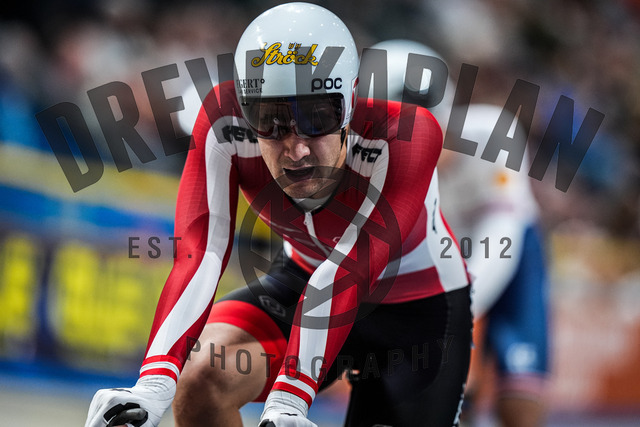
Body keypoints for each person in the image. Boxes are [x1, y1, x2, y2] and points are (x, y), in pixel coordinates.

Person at [85, 4, 472, 427]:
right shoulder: (223, 119)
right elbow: (200, 252)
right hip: (303, 278)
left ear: (350, 103)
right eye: (269, 121)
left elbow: (351, 269)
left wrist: (290, 398)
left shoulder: (407, 133)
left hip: (415, 310)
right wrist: (154, 383)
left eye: (318, 118)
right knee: (200, 378)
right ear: (244, 109)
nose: (297, 149)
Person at [370, 39, 550, 427]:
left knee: (518, 406)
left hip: (513, 256)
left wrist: (453, 309)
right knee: (447, 398)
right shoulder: (373, 163)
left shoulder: (493, 134)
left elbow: (502, 239)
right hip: (444, 265)